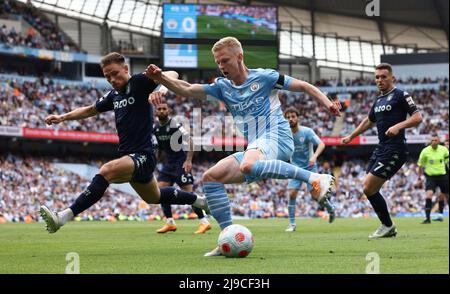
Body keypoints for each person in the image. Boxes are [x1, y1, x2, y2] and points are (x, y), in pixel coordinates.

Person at [145, 37, 341, 256]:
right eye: (218, 62)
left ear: (239, 57)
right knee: (211, 177)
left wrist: (328, 103)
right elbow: (188, 89)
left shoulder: (265, 77)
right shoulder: (222, 87)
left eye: (225, 60)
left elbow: (303, 86)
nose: (221, 66)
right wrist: (160, 77)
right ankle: (226, 237)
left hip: (278, 136)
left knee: (248, 164)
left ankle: (315, 178)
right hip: (257, 146)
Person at [39, 52, 208, 233]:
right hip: (129, 156)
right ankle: (200, 201)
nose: (112, 79)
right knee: (154, 196)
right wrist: (62, 117)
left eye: (115, 73)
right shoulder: (113, 96)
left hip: (143, 154)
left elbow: (173, 73)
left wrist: (160, 89)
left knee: (106, 171)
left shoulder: (139, 82)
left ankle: (63, 217)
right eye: (107, 76)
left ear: (125, 68)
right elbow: (89, 110)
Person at [341, 63, 422, 239]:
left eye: (383, 76)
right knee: (369, 189)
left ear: (392, 78)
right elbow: (369, 121)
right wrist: (351, 136)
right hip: (381, 148)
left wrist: (398, 126)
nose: (380, 80)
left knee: (368, 187)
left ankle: (387, 225)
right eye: (377, 77)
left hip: (395, 149)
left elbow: (417, 117)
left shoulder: (401, 95)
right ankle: (387, 225)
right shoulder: (378, 100)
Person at [151, 99, 211, 234]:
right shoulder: (156, 128)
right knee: (160, 192)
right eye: (159, 109)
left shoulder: (175, 125)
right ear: (155, 112)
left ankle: (204, 221)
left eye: (164, 109)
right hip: (168, 165)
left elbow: (190, 141)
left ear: (169, 111)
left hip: (180, 162)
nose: (161, 111)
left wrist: (189, 160)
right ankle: (170, 222)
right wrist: (154, 162)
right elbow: (160, 149)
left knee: (188, 194)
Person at [283, 107, 336, 232]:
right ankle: (292, 224)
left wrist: (314, 156)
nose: (291, 119)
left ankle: (331, 209)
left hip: (310, 167)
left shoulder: (307, 132)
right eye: (288, 117)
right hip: (295, 168)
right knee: (291, 194)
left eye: (293, 116)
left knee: (316, 196)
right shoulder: (285, 134)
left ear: (298, 118)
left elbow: (321, 144)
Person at [417, 134, 449, 223]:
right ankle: (427, 218)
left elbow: (447, 161)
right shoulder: (425, 151)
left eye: (435, 140)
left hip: (443, 176)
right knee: (428, 195)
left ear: (439, 141)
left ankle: (440, 214)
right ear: (430, 141)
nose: (434, 142)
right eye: (432, 140)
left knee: (446, 196)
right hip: (431, 177)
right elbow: (420, 165)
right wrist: (419, 177)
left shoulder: (444, 150)